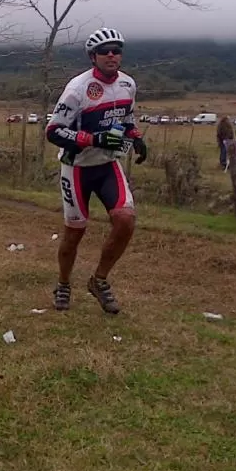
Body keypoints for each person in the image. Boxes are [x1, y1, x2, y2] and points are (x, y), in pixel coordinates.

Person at [45, 28, 148, 314]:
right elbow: (53, 131)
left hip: (107, 165)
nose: (112, 55)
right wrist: (91, 139)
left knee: (125, 220)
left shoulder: (128, 84)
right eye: (105, 51)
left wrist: (136, 136)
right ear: (94, 57)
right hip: (77, 168)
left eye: (117, 49)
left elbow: (126, 117)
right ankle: (64, 283)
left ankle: (99, 280)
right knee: (74, 234)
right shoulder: (78, 89)